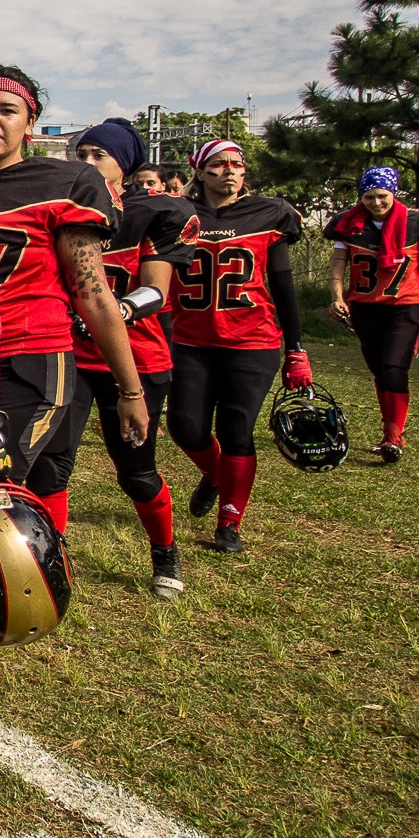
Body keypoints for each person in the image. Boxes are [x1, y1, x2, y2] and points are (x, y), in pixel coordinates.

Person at [0, 67, 148, 710]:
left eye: (5, 110)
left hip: (28, 357)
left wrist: (129, 389)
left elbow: (93, 291)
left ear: (30, 121)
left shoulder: (66, 182)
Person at [65, 119, 201, 598]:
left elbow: (156, 291)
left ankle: (164, 547)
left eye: (97, 156)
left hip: (134, 357)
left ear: (123, 165)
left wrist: (111, 311)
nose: (85, 165)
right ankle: (51, 556)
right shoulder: (61, 207)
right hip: (70, 357)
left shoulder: (153, 213)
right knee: (51, 466)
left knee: (136, 471)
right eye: (78, 155)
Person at [167, 138, 309, 554]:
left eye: (237, 163)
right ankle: (214, 475)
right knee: (185, 427)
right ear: (200, 171)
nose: (229, 169)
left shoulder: (268, 213)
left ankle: (229, 522)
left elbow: (283, 287)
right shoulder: (178, 214)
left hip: (252, 341)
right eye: (219, 163)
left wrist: (297, 349)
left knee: (237, 430)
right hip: (191, 339)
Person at [326, 166, 419, 462]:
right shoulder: (348, 223)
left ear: (393, 193)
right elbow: (337, 265)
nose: (376, 202)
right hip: (366, 308)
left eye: (382, 195)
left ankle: (394, 437)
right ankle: (389, 431)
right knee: (379, 371)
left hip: (406, 307)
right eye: (368, 196)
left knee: (395, 368)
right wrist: (336, 297)